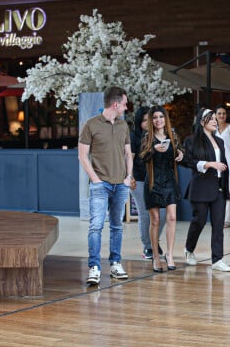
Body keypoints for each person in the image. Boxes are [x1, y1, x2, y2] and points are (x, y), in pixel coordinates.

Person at [78, 86, 132, 284]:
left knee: (117, 226)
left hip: (121, 185)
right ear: (115, 104)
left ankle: (115, 264)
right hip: (100, 185)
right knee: (96, 226)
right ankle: (94, 267)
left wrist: (128, 177)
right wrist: (96, 179)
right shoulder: (91, 125)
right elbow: (82, 155)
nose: (126, 108)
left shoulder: (123, 126)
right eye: (124, 104)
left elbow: (128, 153)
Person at [182, 109, 230, 272]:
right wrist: (208, 164)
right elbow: (189, 162)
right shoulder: (191, 141)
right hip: (201, 187)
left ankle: (217, 259)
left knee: (219, 224)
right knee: (199, 221)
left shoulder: (219, 141)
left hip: (219, 186)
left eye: (215, 118)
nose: (215, 121)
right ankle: (189, 250)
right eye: (211, 118)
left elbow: (224, 165)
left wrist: (229, 186)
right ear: (202, 121)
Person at [140, 105, 184, 272]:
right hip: (152, 182)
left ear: (165, 119)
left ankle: (170, 255)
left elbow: (180, 151)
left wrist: (180, 154)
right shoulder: (147, 137)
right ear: (152, 120)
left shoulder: (172, 135)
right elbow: (142, 157)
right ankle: (156, 257)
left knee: (172, 217)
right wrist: (153, 150)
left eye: (161, 117)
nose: (158, 120)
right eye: (155, 117)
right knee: (156, 220)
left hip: (169, 181)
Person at [130, 106, 167, 260]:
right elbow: (129, 158)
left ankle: (153, 241)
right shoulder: (133, 136)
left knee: (163, 214)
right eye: (144, 120)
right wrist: (129, 176)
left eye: (149, 119)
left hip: (157, 180)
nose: (147, 122)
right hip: (138, 179)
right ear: (139, 122)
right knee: (145, 214)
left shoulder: (157, 135)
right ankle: (148, 247)